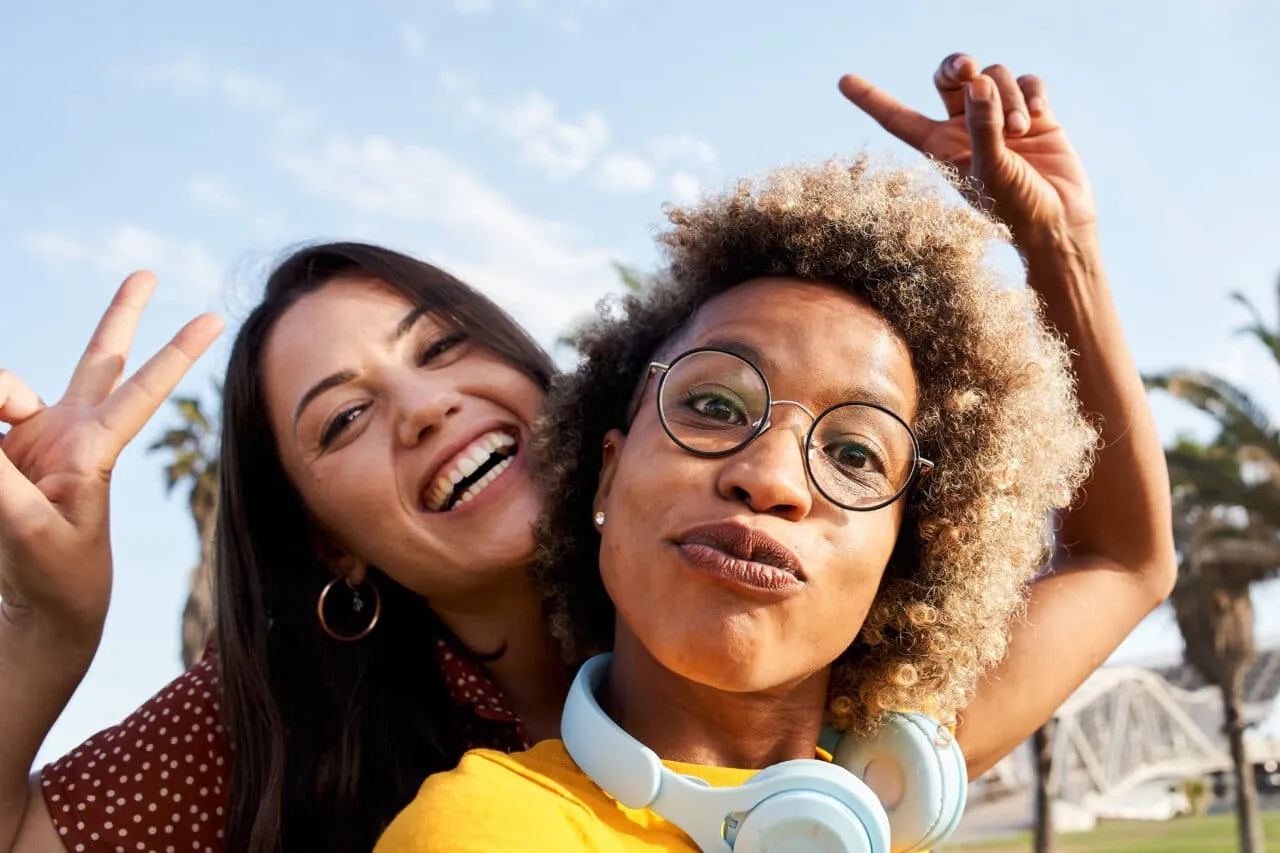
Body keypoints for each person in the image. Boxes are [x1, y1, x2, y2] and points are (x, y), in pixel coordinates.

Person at [0, 55, 1175, 853]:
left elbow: (1124, 559)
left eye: (443, 344)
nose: (420, 406)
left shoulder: (820, 718)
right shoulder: (282, 736)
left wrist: (1057, 244)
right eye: (342, 418)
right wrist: (45, 638)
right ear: (327, 544)